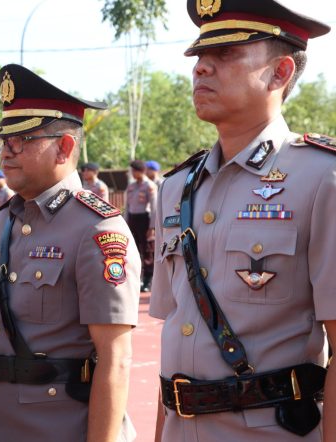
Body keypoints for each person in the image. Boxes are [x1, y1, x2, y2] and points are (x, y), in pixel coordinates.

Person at [151, 2, 333, 441]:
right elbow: (172, 342)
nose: (202, 69)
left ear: (280, 72)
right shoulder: (176, 187)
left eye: (227, 54)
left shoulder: (321, 178)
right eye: (198, 57)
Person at [0, 64, 140, 442]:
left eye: (22, 139)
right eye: (3, 140)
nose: (6, 152)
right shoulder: (5, 220)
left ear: (64, 147)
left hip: (61, 427)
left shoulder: (97, 228)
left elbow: (115, 359)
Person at [125, 160, 157, 292]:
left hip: (145, 219)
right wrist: (125, 223)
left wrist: (152, 227)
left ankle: (148, 281)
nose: (132, 173)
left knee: (147, 251)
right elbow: (127, 206)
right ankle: (136, 279)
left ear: (140, 171)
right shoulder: (131, 186)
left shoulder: (149, 185)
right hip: (132, 219)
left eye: (134, 171)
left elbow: (154, 207)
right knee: (133, 250)